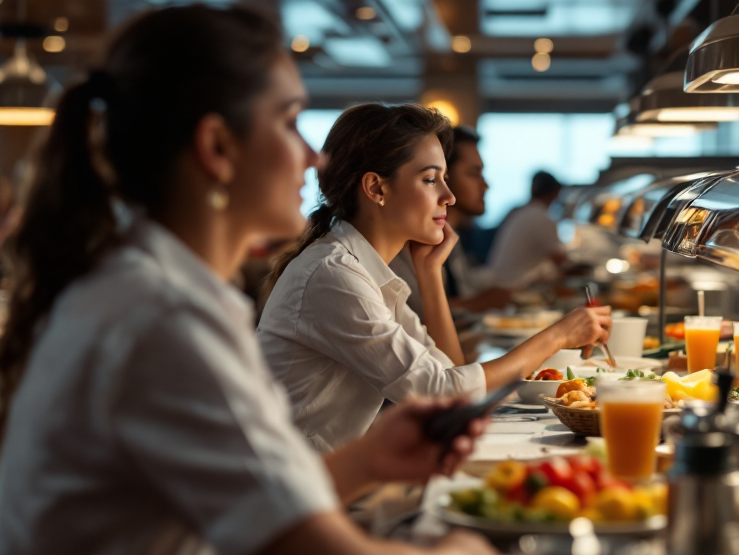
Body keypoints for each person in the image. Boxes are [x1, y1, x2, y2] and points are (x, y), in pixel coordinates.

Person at [0, 5, 505, 555]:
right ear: (217, 147)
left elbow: (235, 501)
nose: (312, 156)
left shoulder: (149, 286)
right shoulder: (165, 318)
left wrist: (368, 461)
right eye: (289, 122)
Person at [260, 104, 612, 452]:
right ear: (376, 189)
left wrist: (430, 274)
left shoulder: (366, 270)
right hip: (291, 494)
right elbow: (441, 393)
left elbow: (453, 375)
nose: (449, 196)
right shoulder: (334, 275)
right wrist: (559, 335)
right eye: (430, 180)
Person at [390, 126, 511, 318]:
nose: (485, 185)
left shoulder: (449, 236)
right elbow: (418, 319)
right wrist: (480, 302)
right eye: (473, 173)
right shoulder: (407, 245)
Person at [488, 170, 567, 289]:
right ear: (555, 193)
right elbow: (561, 261)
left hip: (498, 283)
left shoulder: (523, 212)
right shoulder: (541, 218)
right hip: (509, 290)